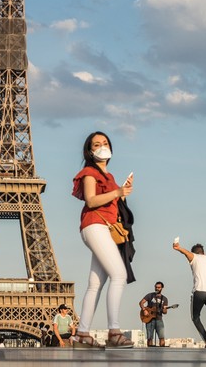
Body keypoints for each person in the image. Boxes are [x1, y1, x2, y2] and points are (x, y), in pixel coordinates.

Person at [70, 131, 135, 349]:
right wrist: (117, 192)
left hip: (103, 228)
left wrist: (123, 192)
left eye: (105, 143)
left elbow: (112, 203)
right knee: (119, 275)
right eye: (96, 144)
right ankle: (114, 331)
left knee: (96, 283)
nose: (101, 147)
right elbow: (91, 200)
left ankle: (82, 333)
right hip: (94, 226)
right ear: (89, 151)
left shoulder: (110, 177)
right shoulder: (89, 172)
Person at [140, 281, 169, 347]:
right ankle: (150, 353)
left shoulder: (164, 299)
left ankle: (161, 353)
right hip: (149, 319)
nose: (157, 289)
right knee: (150, 338)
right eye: (156, 287)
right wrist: (144, 310)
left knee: (161, 337)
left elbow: (165, 312)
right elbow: (141, 302)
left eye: (159, 287)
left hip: (159, 319)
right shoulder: (150, 295)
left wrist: (164, 309)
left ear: (162, 288)